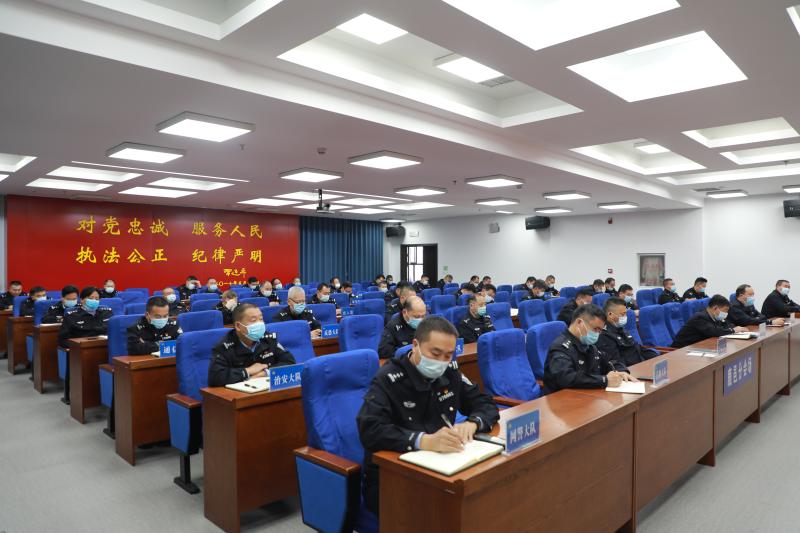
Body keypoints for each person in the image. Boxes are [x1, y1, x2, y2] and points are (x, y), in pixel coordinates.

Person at [358, 316, 499, 515]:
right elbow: (370, 429)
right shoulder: (389, 378)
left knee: (483, 496)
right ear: (415, 345)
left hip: (442, 464)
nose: (441, 362)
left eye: (448, 355)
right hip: (392, 476)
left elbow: (485, 403)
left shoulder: (450, 372)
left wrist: (473, 423)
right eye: (435, 353)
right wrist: (423, 441)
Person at [543, 304, 635, 394]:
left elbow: (609, 361)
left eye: (600, 330)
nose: (597, 334)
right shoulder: (561, 348)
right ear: (579, 323)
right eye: (595, 329)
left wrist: (621, 371)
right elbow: (567, 378)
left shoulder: (588, 345)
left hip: (587, 395)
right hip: (563, 399)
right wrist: (604, 380)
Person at [207, 304, 296, 387]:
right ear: (238, 326)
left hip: (267, 390)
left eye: (261, 319)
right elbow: (215, 377)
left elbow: (290, 362)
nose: (259, 324)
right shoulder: (225, 347)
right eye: (253, 320)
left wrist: (266, 372)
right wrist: (247, 371)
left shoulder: (268, 339)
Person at [597, 298, 658, 367]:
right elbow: (617, 364)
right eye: (622, 314)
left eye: (626, 314)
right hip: (631, 370)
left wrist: (657, 358)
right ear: (610, 314)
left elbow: (638, 348)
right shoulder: (604, 336)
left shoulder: (620, 329)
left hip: (641, 365)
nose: (625, 317)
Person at [671, 294, 748, 348]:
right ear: (715, 308)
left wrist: (737, 328)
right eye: (725, 310)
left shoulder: (714, 316)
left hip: (697, 347)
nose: (726, 313)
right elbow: (714, 331)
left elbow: (726, 325)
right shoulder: (700, 317)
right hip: (681, 349)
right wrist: (733, 330)